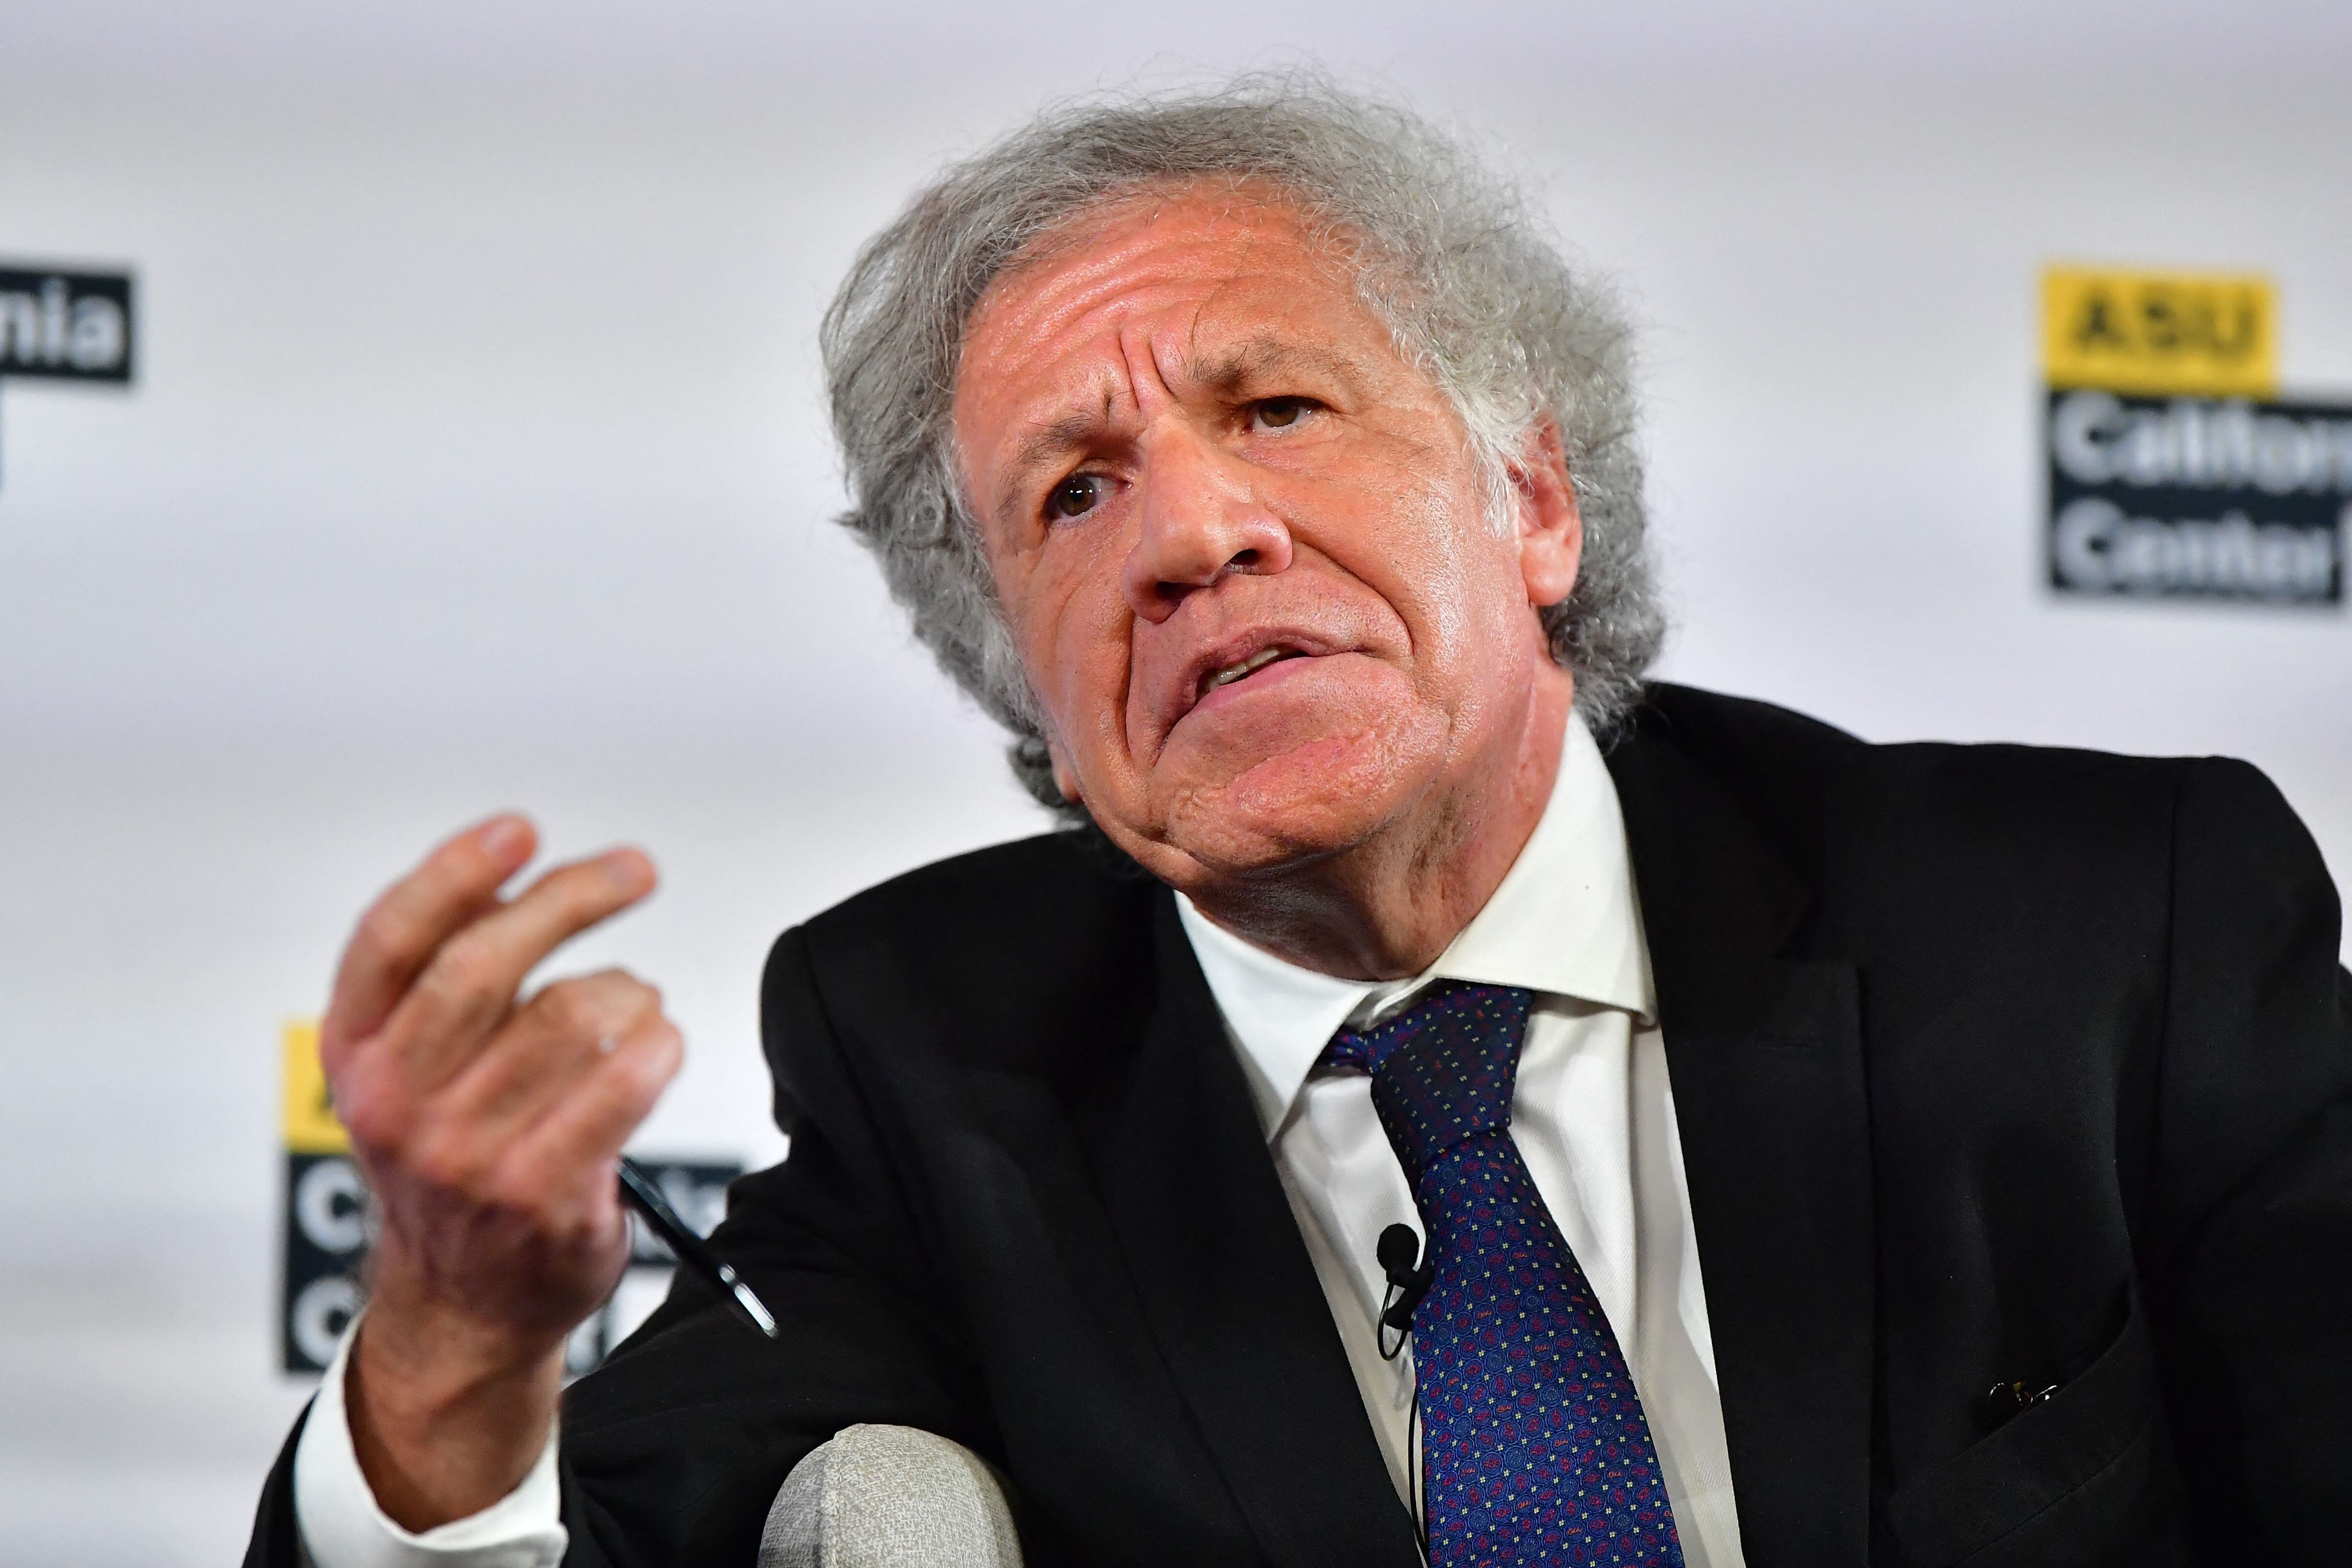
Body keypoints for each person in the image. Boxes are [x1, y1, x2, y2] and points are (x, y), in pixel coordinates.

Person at [245, 78, 2351, 1568]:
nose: (1194, 530)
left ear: (1532, 504)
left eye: (1276, 406)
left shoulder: (2106, 948)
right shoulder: (941, 1068)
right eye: (1072, 495)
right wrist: (451, 1339)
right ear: (1039, 702)